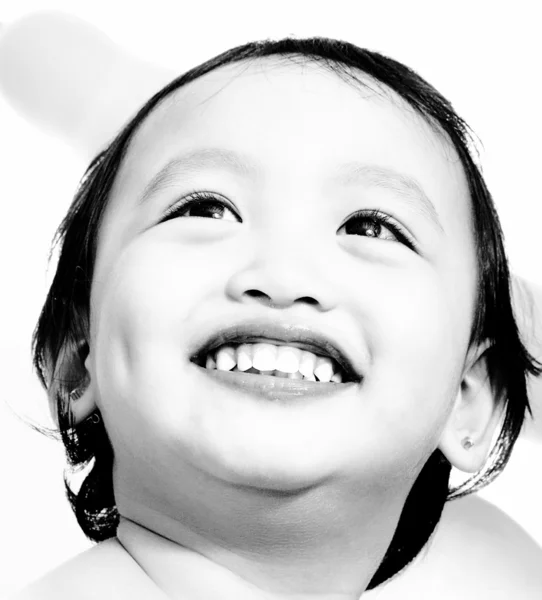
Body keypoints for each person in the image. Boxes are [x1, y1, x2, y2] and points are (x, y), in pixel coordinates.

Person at [9, 35, 542, 599]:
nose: (284, 275)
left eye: (370, 227)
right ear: (76, 361)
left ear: (468, 397)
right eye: (206, 208)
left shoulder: (491, 566)